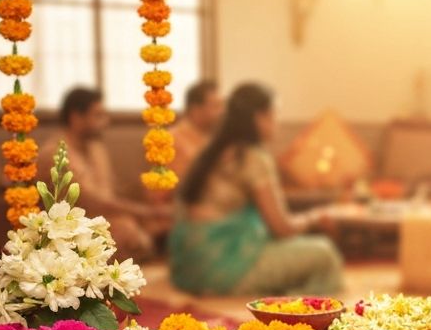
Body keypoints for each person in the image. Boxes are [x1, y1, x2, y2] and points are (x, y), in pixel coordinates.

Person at [171, 83, 343, 297]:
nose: (277, 122)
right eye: (275, 114)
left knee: (290, 246)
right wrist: (316, 217)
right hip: (224, 269)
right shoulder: (253, 157)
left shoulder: (212, 150)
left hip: (188, 268)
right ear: (260, 117)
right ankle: (294, 308)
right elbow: (282, 228)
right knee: (324, 254)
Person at [41, 87, 169, 259]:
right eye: (98, 115)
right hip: (71, 228)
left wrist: (149, 202)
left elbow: (111, 190)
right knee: (128, 229)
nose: (106, 122)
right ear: (76, 118)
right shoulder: (57, 153)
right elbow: (92, 201)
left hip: (105, 219)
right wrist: (144, 211)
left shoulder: (95, 147)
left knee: (162, 222)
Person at [170, 79, 223, 179]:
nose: (222, 112)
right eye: (216, 106)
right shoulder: (172, 140)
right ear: (196, 110)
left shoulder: (215, 136)